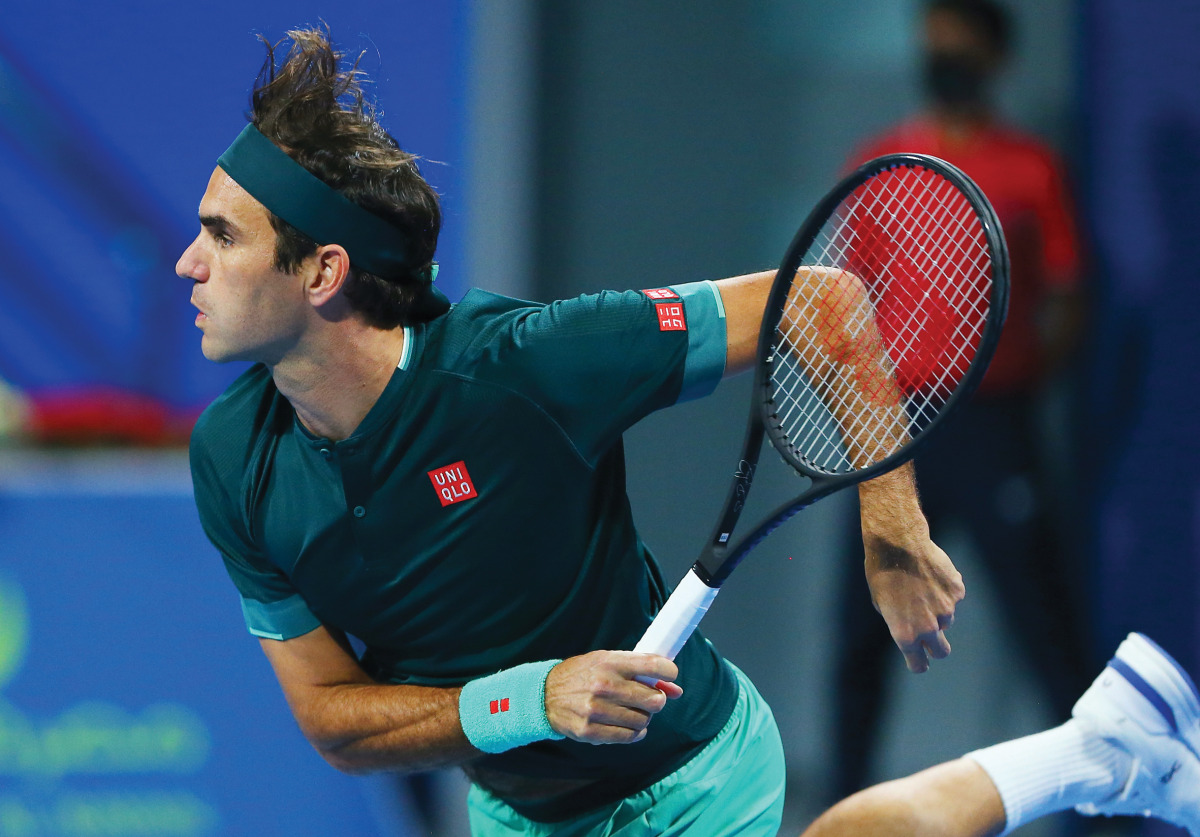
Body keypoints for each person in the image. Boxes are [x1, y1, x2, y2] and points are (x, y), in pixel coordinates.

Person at [180, 27, 1198, 837]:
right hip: (519, 808)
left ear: (322, 275)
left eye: (223, 237)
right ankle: (1099, 750)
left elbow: (824, 301)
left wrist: (889, 522)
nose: (189, 264)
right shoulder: (233, 460)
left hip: (692, 774)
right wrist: (529, 701)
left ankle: (1089, 756)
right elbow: (334, 723)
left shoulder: (527, 364)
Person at [831, 0, 1094, 804]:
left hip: (993, 424)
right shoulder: (879, 162)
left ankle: (1094, 811)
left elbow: (1070, 294)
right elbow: (846, 308)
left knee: (1047, 630)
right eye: (932, 46)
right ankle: (844, 805)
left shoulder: (1032, 167)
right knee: (860, 636)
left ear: (994, 58)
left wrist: (1017, 378)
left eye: (959, 46)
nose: (943, 58)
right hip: (895, 432)